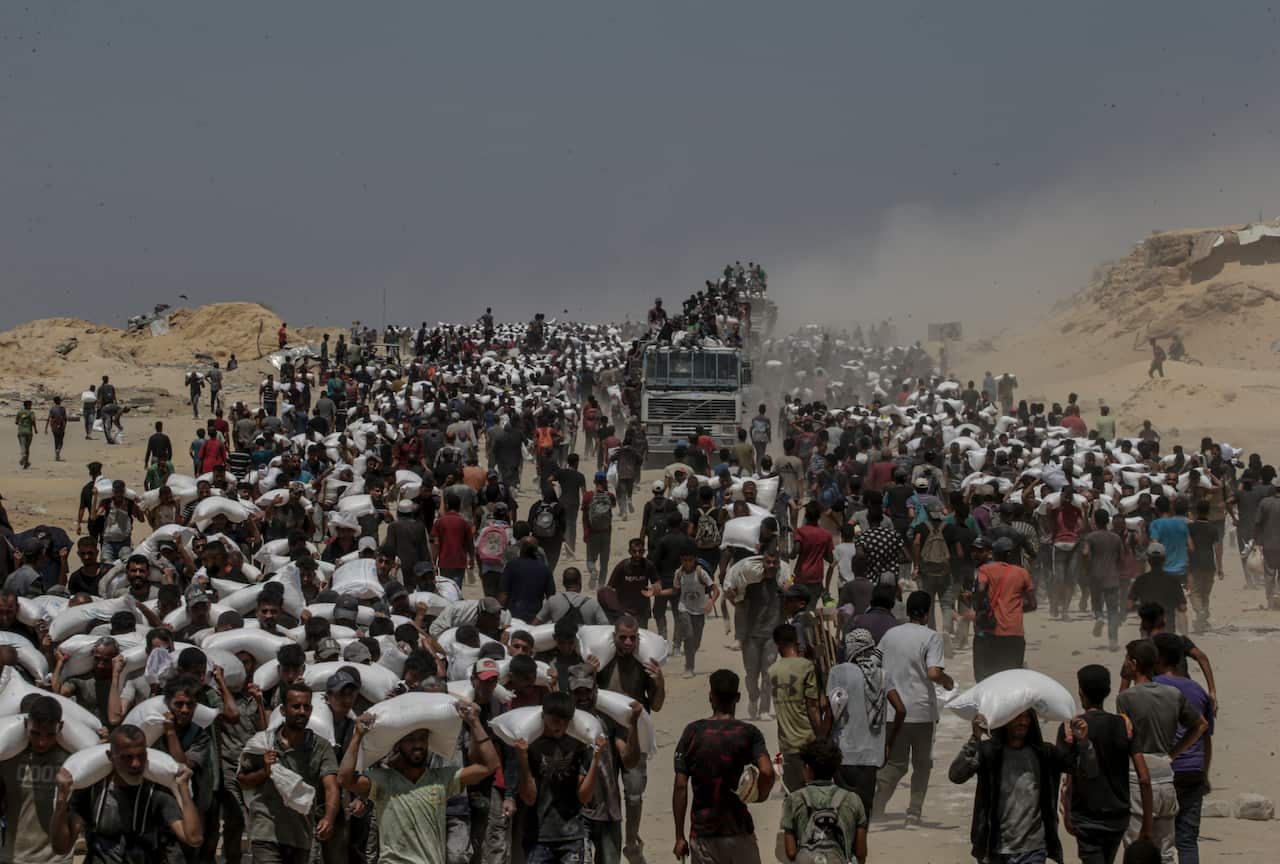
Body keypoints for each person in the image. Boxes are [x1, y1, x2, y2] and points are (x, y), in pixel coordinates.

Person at [337, 699, 499, 864]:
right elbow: (344, 779)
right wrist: (358, 735)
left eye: (422, 738)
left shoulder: (442, 779)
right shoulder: (384, 780)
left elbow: (490, 766)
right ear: (398, 745)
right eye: (410, 739)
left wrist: (474, 722)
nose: (418, 744)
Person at [948, 709, 1096, 864]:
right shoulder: (988, 752)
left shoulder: (1045, 753)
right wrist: (975, 738)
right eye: (1017, 716)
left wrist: (1084, 742)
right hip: (994, 850)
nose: (1023, 722)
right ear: (1005, 718)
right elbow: (956, 775)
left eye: (1026, 717)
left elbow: (1088, 771)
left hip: (1033, 850)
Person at [50, 724, 202, 862]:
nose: (136, 764)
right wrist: (61, 801)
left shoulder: (156, 792)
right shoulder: (93, 790)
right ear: (111, 757)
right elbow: (61, 848)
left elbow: (194, 838)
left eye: (141, 756)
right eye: (127, 757)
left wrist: (183, 787)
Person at [1116, 640, 1208, 860]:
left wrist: (1124, 678)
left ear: (1134, 664)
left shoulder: (1126, 698)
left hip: (1138, 776)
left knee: (1136, 849)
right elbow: (1201, 725)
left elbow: (1123, 729)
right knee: (1166, 852)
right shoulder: (1173, 694)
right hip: (1166, 775)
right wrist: (1174, 753)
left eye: (1127, 659)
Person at [671, 669, 775, 864]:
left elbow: (680, 785)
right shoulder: (748, 733)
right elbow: (767, 771)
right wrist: (760, 794)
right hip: (739, 830)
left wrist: (679, 837)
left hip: (704, 833)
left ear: (711, 696)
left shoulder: (692, 732)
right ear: (737, 697)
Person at [873, 590, 954, 823]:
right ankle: (914, 811)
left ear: (908, 612)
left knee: (896, 764)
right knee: (921, 764)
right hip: (921, 712)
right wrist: (947, 682)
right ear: (927, 613)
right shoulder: (931, 637)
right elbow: (933, 672)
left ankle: (876, 807)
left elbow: (874, 663)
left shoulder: (890, 635)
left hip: (893, 710)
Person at [237, 682, 341, 864]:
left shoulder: (321, 747)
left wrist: (329, 818)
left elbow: (331, 787)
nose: (302, 711)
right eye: (296, 706)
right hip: (266, 832)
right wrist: (264, 771)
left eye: (306, 707)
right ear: (284, 711)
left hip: (301, 835)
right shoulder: (264, 743)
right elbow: (243, 781)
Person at [1063, 665, 1153, 864]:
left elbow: (1069, 777)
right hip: (1118, 818)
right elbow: (1144, 778)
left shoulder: (1072, 729)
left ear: (1080, 692)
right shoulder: (1125, 725)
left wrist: (1067, 812)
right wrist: (1147, 824)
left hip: (1086, 818)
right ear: (1108, 692)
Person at [594, 615, 665, 864]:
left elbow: (656, 704)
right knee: (606, 793)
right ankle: (608, 846)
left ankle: (632, 842)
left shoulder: (643, 664)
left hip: (634, 733)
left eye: (632, 638)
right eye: (622, 637)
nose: (627, 642)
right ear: (614, 637)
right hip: (605, 733)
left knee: (634, 793)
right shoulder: (602, 660)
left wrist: (659, 680)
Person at [514, 691, 608, 864]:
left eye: (566, 720)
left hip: (572, 835)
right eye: (556, 719)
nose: (561, 725)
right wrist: (523, 759)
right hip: (537, 836)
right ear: (544, 715)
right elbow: (529, 798)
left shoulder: (579, 744)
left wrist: (596, 759)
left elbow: (584, 797)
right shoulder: (530, 745)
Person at [568, 664, 644, 864]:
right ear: (569, 692)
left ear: (596, 689)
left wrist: (633, 725)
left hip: (608, 810)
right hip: (574, 814)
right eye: (578, 691)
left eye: (587, 690)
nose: (583, 696)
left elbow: (629, 759)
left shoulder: (609, 720)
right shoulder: (564, 722)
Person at [827, 628, 905, 819]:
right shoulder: (882, 676)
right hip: (871, 756)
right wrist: (888, 744)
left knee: (842, 809)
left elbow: (832, 712)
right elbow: (901, 710)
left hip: (843, 753)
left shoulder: (838, 672)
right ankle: (860, 845)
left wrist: (823, 743)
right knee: (863, 811)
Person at [1152, 634, 1213, 864]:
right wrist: (1204, 774)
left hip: (1159, 773)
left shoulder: (1151, 687)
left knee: (1155, 839)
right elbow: (1206, 739)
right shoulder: (1198, 691)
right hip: (1193, 771)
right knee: (1187, 840)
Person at [0, 695, 73, 864]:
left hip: (56, 859)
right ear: (26, 724)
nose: (42, 742)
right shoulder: (8, 755)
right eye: (35, 733)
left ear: (60, 727)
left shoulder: (72, 758)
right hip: (13, 856)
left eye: (49, 734)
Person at [780, 738, 868, 864]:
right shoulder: (853, 799)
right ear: (835, 769)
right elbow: (860, 854)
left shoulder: (794, 799)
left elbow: (791, 852)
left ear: (807, 768)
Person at [768, 623, 827, 793]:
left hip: (787, 744)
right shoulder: (806, 666)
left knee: (794, 793)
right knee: (813, 791)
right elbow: (813, 706)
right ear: (796, 641)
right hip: (807, 740)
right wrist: (822, 737)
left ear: (777, 644)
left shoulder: (772, 670)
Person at [972, 537, 1036, 681]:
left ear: (994, 554)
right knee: (1012, 677)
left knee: (987, 676)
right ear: (1012, 554)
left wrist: (979, 605)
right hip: (1015, 632)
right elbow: (1033, 604)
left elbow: (981, 588)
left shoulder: (986, 569)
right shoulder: (1023, 573)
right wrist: (1015, 609)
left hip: (992, 633)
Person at [1081, 509, 1125, 650]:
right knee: (1112, 610)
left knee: (1096, 601)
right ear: (1108, 521)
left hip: (1096, 575)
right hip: (1112, 576)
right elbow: (1122, 558)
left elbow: (1085, 552)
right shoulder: (1116, 538)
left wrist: (1087, 567)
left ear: (1095, 521)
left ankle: (1099, 617)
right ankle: (1113, 641)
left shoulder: (1091, 537)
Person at [673, 550, 719, 678]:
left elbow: (715, 590)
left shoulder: (701, 573)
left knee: (696, 642)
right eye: (684, 560)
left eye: (690, 560)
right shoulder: (678, 573)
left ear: (694, 560)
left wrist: (711, 601)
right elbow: (674, 590)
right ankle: (689, 667)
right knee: (689, 636)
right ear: (681, 560)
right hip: (684, 609)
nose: (687, 563)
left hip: (699, 611)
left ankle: (689, 657)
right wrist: (657, 593)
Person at [44, 395, 68, 461]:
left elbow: (48, 419)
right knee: (61, 441)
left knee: (56, 440)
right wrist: (64, 426)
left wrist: (46, 428)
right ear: (59, 401)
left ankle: (56, 456)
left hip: (54, 427)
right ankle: (58, 450)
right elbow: (65, 419)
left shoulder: (52, 409)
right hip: (61, 426)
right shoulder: (62, 409)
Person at [15, 399, 35, 469]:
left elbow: (16, 422)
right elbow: (33, 421)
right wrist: (35, 429)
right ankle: (26, 463)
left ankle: (23, 456)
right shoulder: (31, 413)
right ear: (29, 405)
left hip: (21, 432)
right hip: (29, 432)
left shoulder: (19, 412)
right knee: (27, 448)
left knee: (23, 446)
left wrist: (21, 422)